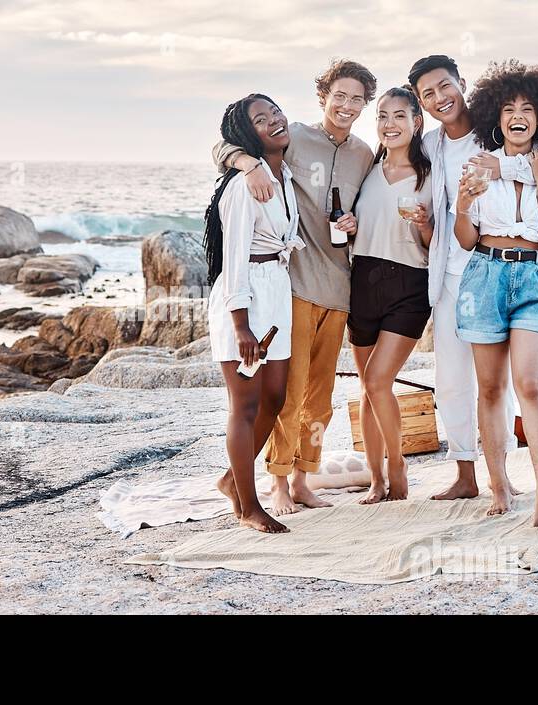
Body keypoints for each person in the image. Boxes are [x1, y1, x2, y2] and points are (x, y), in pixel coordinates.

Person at [407, 54, 538, 502]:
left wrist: (511, 170)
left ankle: (529, 486)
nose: (440, 98)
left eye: (445, 86)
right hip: (465, 272)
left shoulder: (511, 146)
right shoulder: (430, 145)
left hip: (524, 273)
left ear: (462, 84)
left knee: (524, 384)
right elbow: (461, 227)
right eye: (428, 94)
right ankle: (473, 475)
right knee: (462, 381)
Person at [212, 59, 377, 515]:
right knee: (288, 394)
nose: (346, 105)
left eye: (357, 98)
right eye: (338, 95)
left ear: (366, 104)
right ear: (323, 96)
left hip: (338, 288)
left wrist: (356, 221)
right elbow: (224, 145)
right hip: (294, 286)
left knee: (319, 399)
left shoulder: (365, 153)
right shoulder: (294, 137)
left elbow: (375, 204)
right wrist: (247, 163)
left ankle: (304, 478)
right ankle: (277, 483)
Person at [451, 60, 538, 527]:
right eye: (508, 108)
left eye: (527, 107)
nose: (517, 115)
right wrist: (464, 205)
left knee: (530, 384)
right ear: (496, 117)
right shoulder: (477, 166)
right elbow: (465, 238)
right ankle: (500, 485)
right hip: (484, 275)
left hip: (533, 278)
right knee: (490, 388)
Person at [205, 93, 305, 534]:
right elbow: (234, 257)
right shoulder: (244, 185)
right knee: (244, 405)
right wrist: (241, 325)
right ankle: (248, 506)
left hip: (275, 290)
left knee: (276, 398)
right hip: (244, 296)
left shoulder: (280, 172)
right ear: (248, 134)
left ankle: (232, 480)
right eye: (261, 120)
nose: (274, 121)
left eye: (275, 112)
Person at [341, 86, 434, 503]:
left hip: (409, 285)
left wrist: (426, 224)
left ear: (417, 122)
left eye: (399, 116)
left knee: (379, 380)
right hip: (362, 280)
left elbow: (437, 245)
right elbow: (361, 226)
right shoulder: (366, 171)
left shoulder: (431, 176)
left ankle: (398, 464)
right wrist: (349, 226)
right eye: (381, 116)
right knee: (367, 387)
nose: (389, 124)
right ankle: (376, 478)